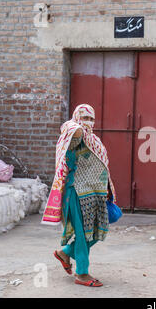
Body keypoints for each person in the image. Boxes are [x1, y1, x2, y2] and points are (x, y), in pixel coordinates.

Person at [41, 104, 117, 287]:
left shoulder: (94, 140)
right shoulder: (74, 135)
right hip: (77, 192)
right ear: (76, 118)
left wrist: (107, 188)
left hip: (95, 194)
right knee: (83, 235)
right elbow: (73, 131)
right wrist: (75, 125)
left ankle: (65, 252)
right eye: (84, 118)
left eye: (91, 118)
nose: (88, 122)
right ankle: (82, 273)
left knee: (98, 233)